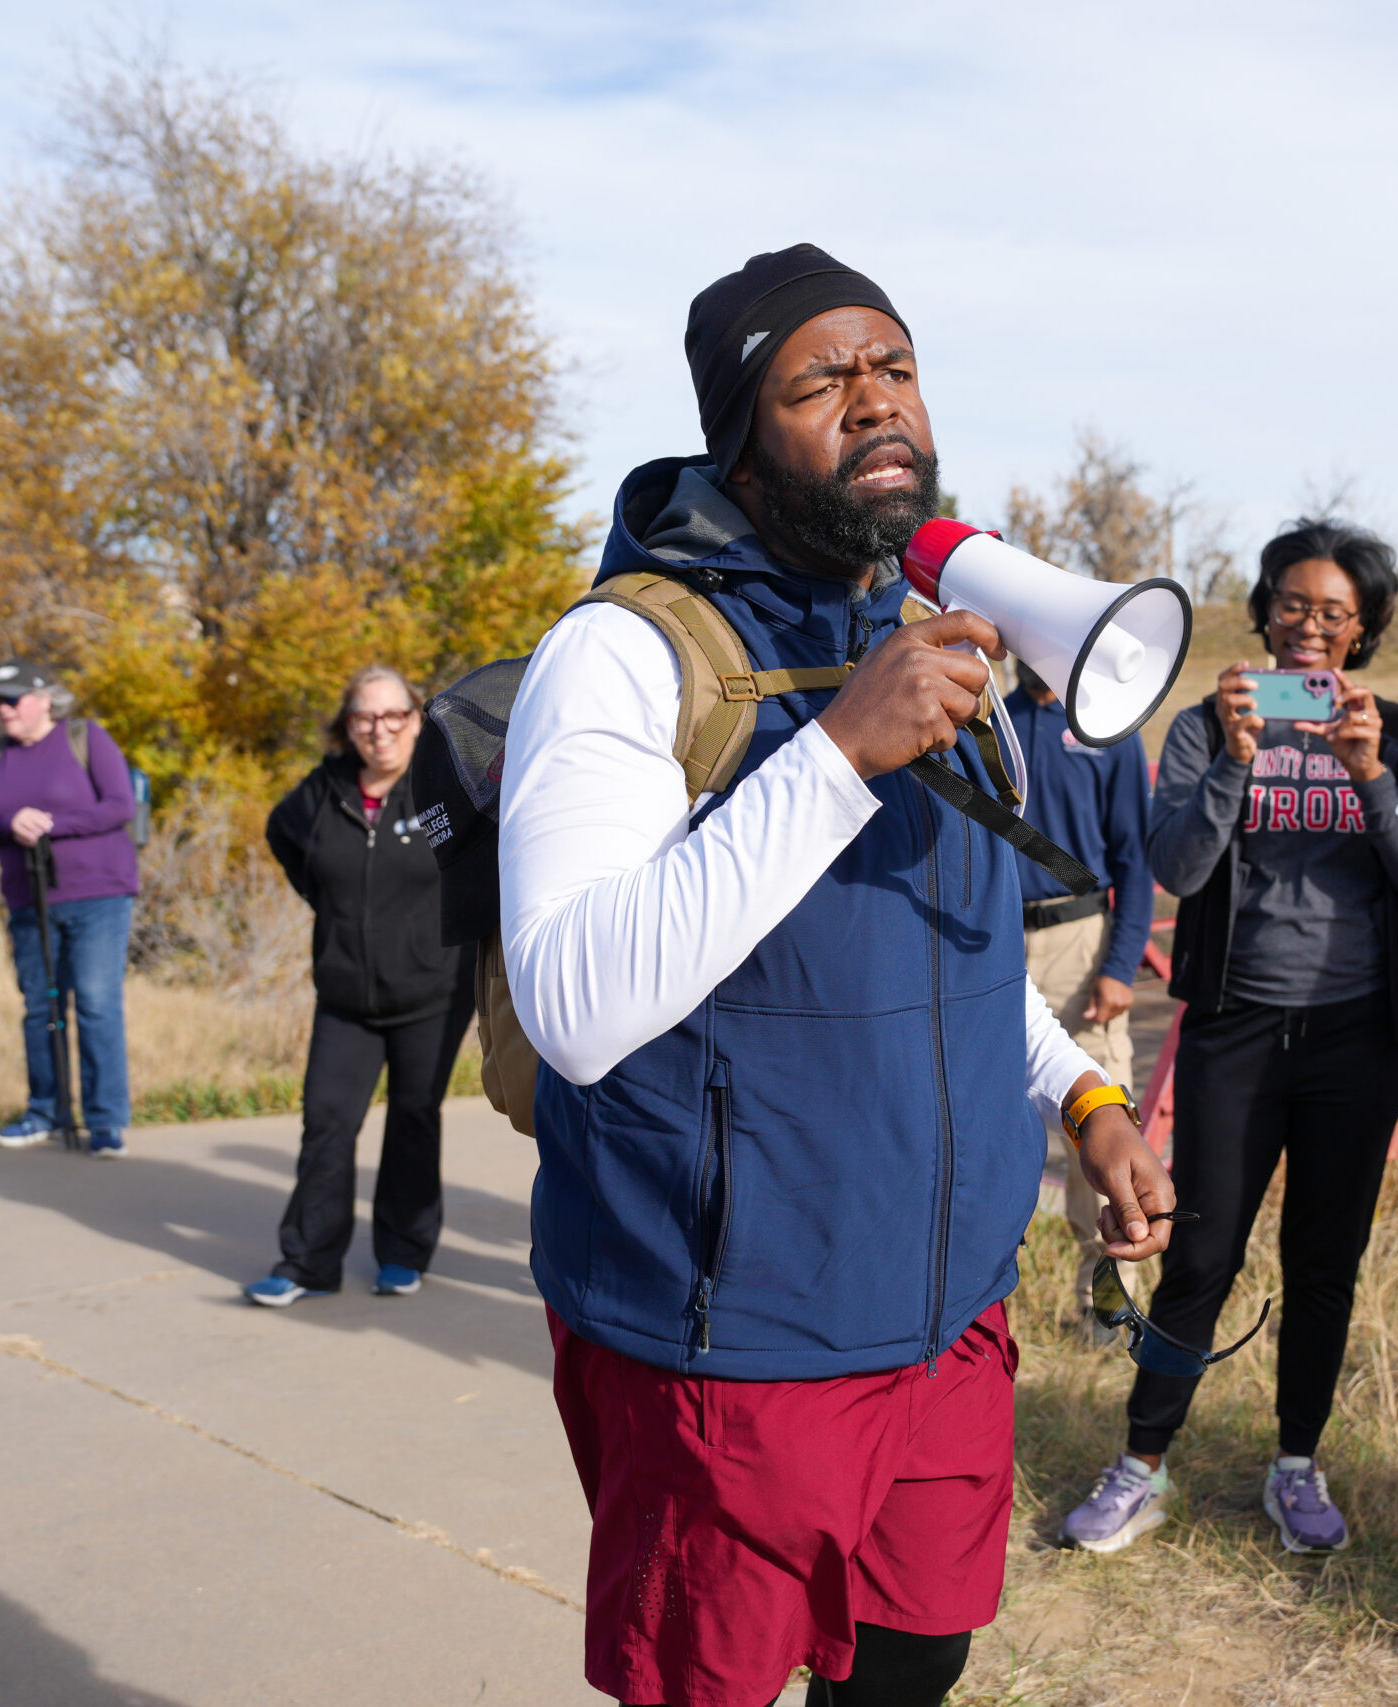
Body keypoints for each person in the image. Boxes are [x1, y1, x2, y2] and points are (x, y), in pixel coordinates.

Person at [498, 244, 1175, 1707]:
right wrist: (836, 755)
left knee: (916, 1656)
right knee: (711, 1686)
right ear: (740, 433)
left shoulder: (918, 632)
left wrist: (1083, 1095)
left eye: (898, 367)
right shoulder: (623, 652)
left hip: (942, 1309)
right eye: (823, 378)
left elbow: (957, 959)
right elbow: (571, 1001)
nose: (877, 402)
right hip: (729, 1329)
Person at [1062, 518, 1398, 1558]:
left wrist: (1371, 774)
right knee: (1200, 1250)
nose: (1309, 630)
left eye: (1334, 613)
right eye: (1292, 605)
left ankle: (1296, 1466)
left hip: (1358, 1037)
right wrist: (1236, 761)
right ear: (1262, 613)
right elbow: (1180, 868)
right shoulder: (1204, 728)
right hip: (1237, 1027)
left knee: (1324, 1258)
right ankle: (1142, 1467)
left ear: (1363, 629)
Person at [246, 666, 476, 1306]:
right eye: (364, 718)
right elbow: (283, 838)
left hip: (433, 990)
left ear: (417, 718)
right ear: (348, 726)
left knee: (412, 1118)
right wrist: (340, 915)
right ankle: (308, 1261)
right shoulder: (322, 793)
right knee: (325, 1122)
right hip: (346, 994)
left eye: (393, 715)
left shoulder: (441, 788)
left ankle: (402, 1253)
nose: (379, 730)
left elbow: (481, 861)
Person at [1004, 659, 1154, 1320]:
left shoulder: (1106, 729)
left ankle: (1109, 1318)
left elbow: (1135, 857)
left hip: (1080, 941)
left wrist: (1120, 966)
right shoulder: (992, 720)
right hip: (994, 938)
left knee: (1100, 1128)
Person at [0, 659, 138, 1158]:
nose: (1, 710)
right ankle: (46, 1110)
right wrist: (9, 823)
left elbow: (120, 806)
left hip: (100, 894)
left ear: (43, 700)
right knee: (41, 1006)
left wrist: (51, 825)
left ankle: (105, 1121)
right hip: (28, 898)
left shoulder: (86, 737)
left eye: (10, 700)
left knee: (97, 1003)